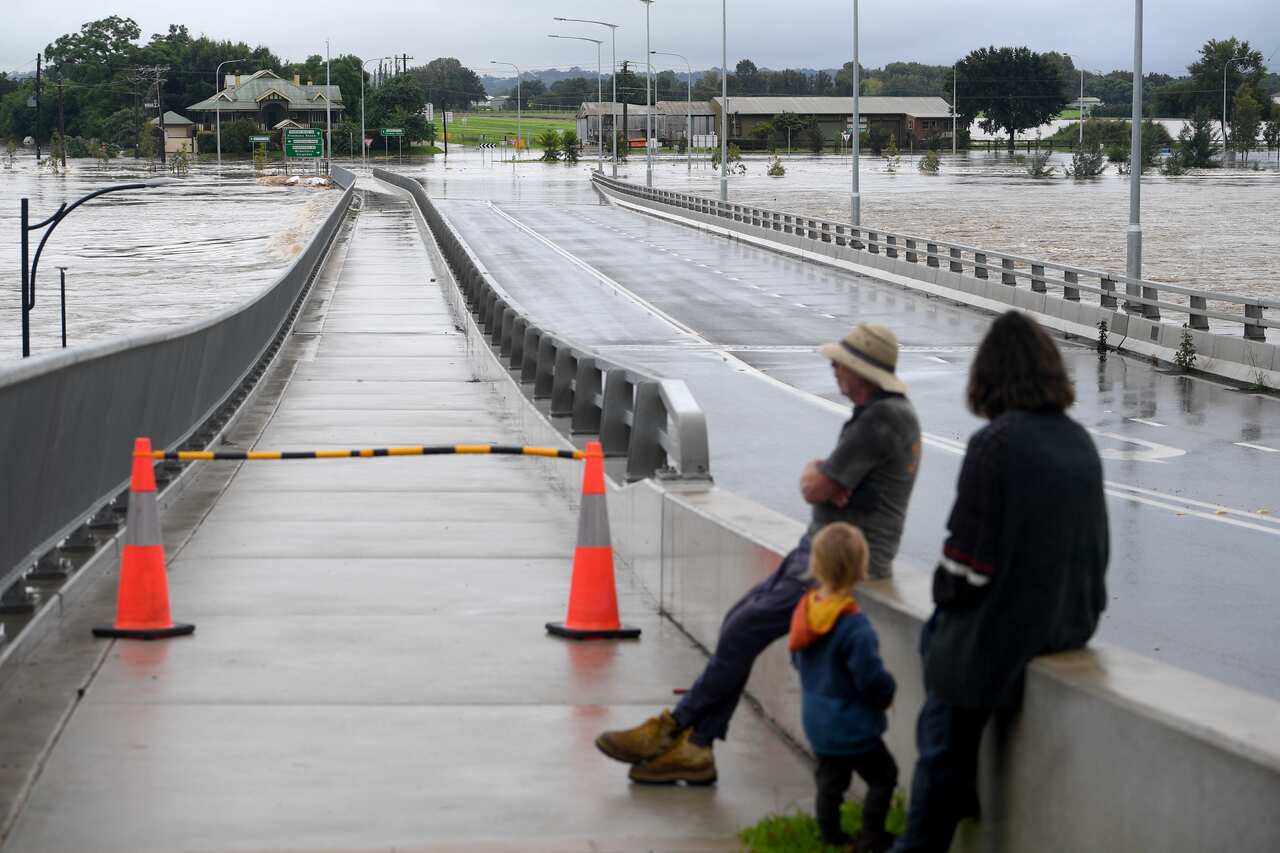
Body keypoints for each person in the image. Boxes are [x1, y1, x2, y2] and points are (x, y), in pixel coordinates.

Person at [595, 322, 922, 785]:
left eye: (839, 363)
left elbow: (815, 485)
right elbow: (826, 487)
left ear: (861, 370)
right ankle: (695, 746)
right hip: (821, 545)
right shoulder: (882, 412)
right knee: (738, 621)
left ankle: (674, 733)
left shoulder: (880, 420)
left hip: (841, 559)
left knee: (745, 629)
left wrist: (820, 478)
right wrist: (826, 483)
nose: (832, 369)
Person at [893, 311, 1109, 852]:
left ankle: (931, 819)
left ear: (987, 376)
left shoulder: (996, 443)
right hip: (1071, 622)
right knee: (945, 643)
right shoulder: (1080, 441)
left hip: (1007, 633)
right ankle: (958, 786)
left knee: (940, 662)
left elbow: (966, 568)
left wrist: (945, 595)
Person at [790, 522, 898, 853]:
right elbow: (869, 677)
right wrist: (887, 691)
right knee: (884, 776)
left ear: (817, 565)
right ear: (859, 570)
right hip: (853, 724)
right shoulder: (854, 625)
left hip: (817, 720)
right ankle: (871, 837)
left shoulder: (806, 610)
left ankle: (830, 835)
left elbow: (796, 658)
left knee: (830, 782)